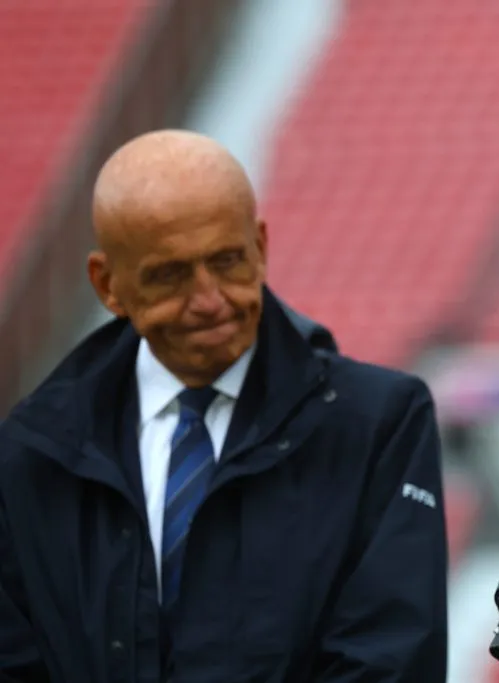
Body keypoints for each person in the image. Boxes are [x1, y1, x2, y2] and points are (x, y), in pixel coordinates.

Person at [0, 130, 448, 682]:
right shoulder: (32, 452)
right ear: (107, 284)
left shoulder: (378, 425)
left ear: (260, 247)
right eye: (170, 275)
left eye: (228, 261)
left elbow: (391, 660)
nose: (209, 301)